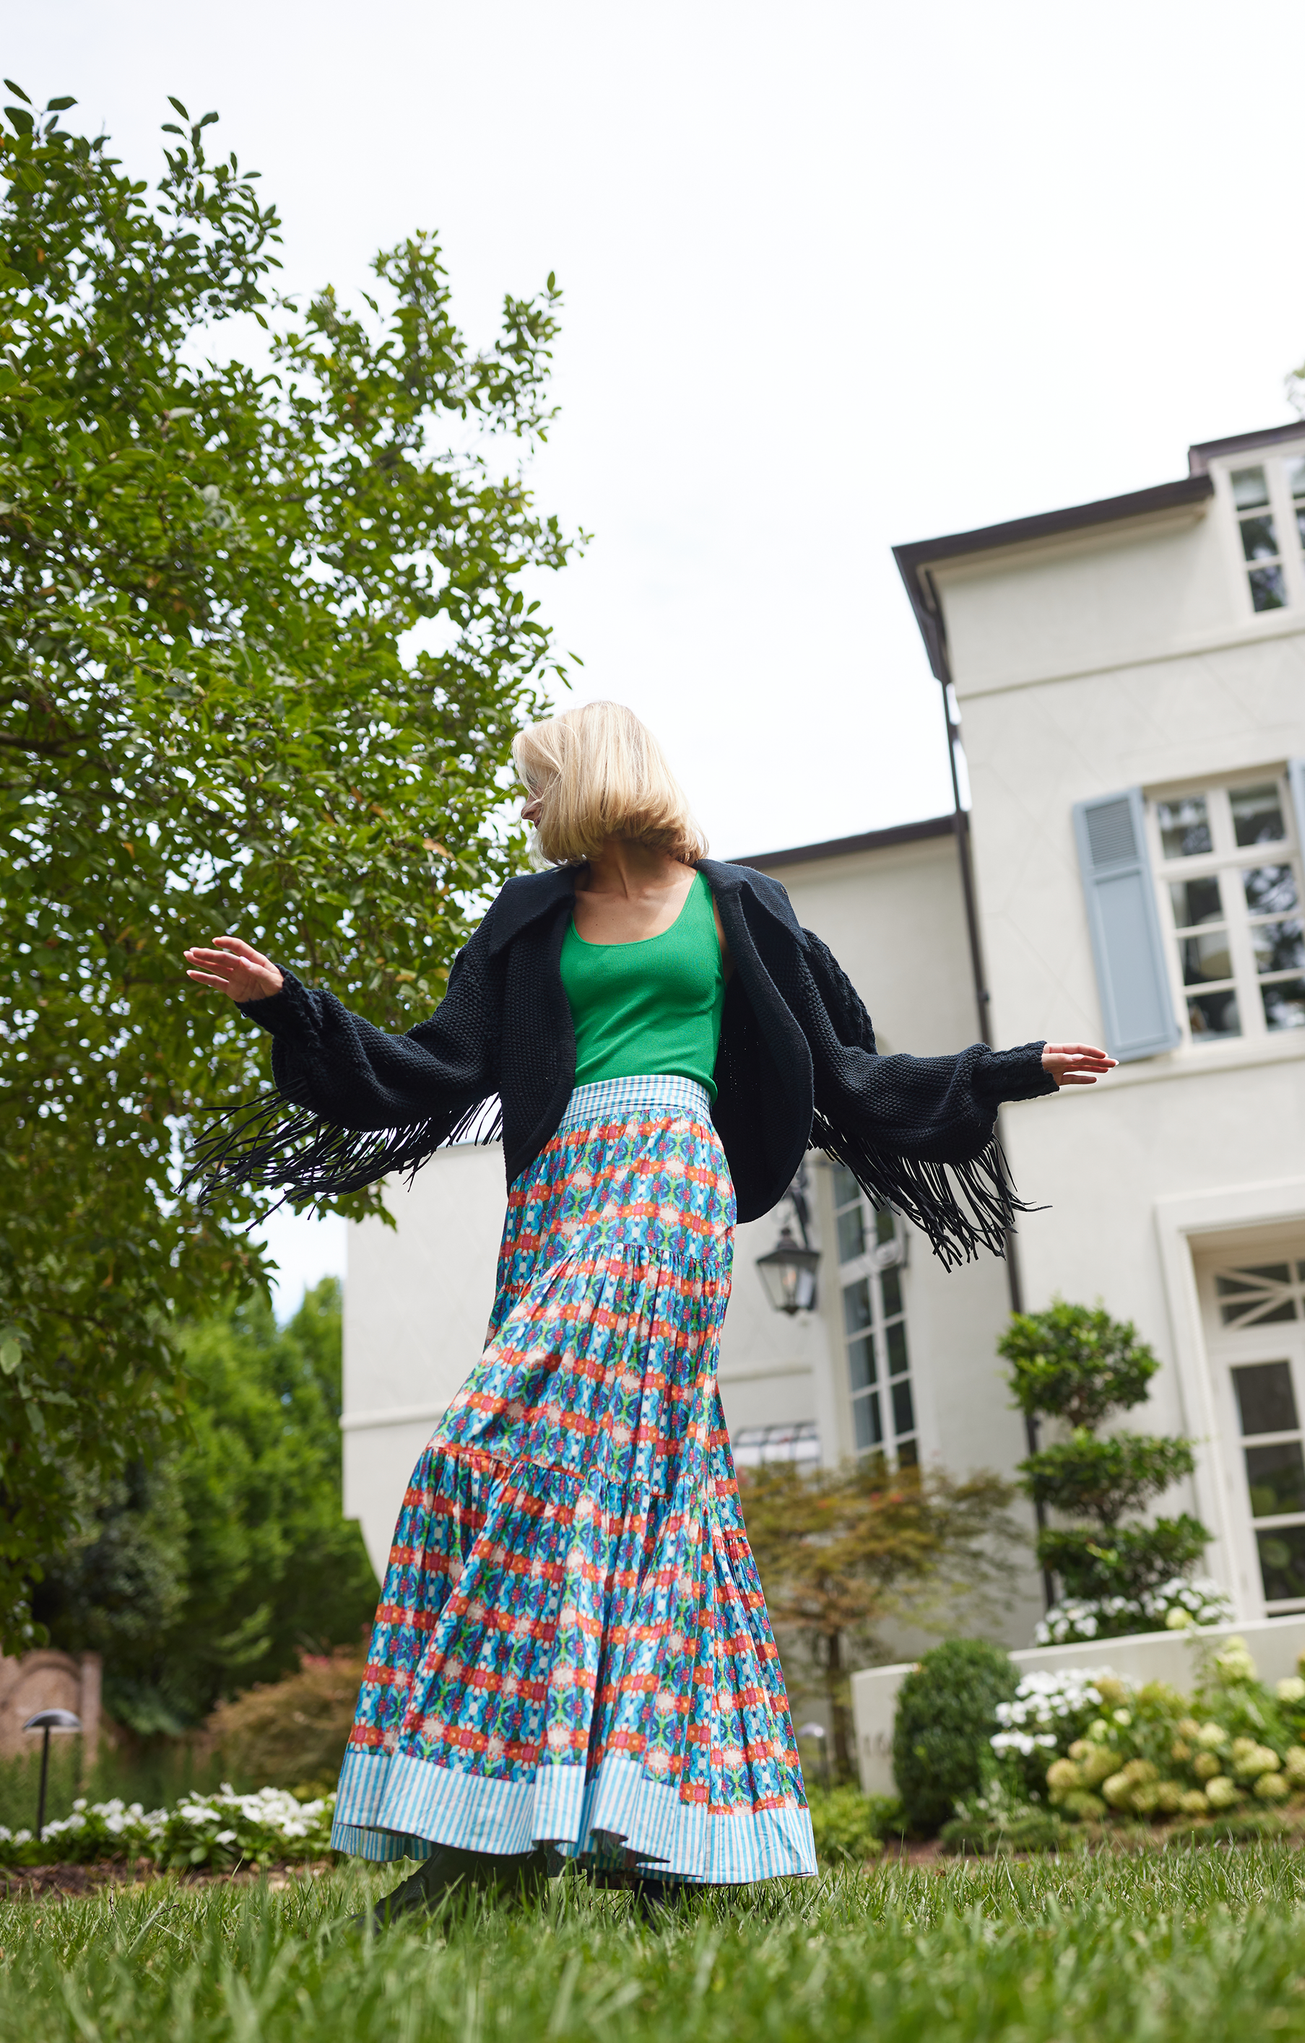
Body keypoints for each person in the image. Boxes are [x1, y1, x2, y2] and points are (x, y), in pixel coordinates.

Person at [183, 700, 1113, 1923]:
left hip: (669, 1190)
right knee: (625, 1498)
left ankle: (492, 1852)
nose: (522, 809)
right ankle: (645, 1832)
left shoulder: (741, 908)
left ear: (585, 776)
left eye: (532, 784)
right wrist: (290, 1006)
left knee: (510, 1452)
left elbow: (848, 1071)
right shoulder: (527, 923)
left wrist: (1001, 1069)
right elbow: (433, 1066)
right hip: (554, 1206)